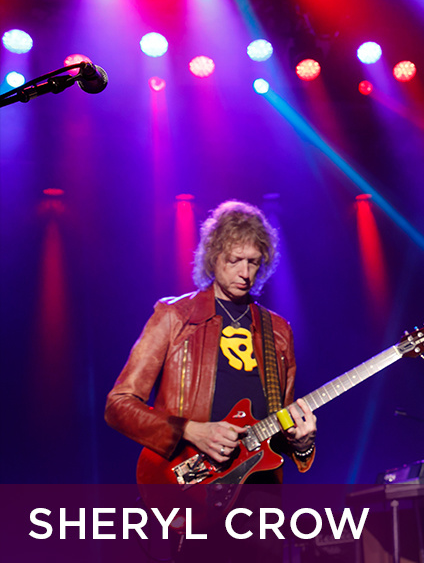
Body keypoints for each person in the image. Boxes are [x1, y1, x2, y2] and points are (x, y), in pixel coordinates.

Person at [106, 200, 316, 483]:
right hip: (186, 481)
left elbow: (279, 428)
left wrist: (302, 446)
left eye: (253, 262)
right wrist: (189, 430)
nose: (245, 273)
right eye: (234, 260)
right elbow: (119, 405)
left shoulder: (278, 330)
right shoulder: (175, 316)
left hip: (257, 489)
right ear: (213, 257)